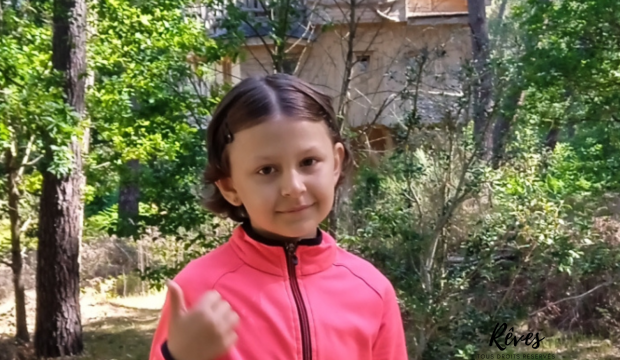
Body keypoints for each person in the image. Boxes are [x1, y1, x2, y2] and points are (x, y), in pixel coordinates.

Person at [149, 73, 408, 360]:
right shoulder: (199, 291)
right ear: (231, 187)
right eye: (267, 170)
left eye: (308, 162)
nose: (293, 188)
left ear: (335, 162)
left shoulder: (371, 289)